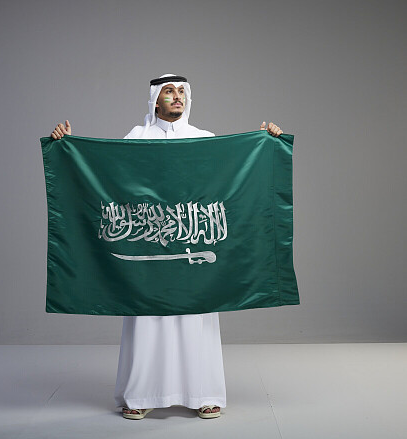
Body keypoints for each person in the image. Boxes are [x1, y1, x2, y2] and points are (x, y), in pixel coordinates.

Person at [50, 74, 283, 420]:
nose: (177, 97)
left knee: (196, 319)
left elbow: (228, 179)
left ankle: (204, 394)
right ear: (155, 99)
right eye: (169, 91)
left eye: (181, 91)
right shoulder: (136, 139)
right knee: (148, 322)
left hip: (193, 245)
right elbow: (107, 178)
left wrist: (265, 143)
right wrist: (67, 149)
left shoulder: (204, 140)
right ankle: (141, 395)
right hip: (149, 248)